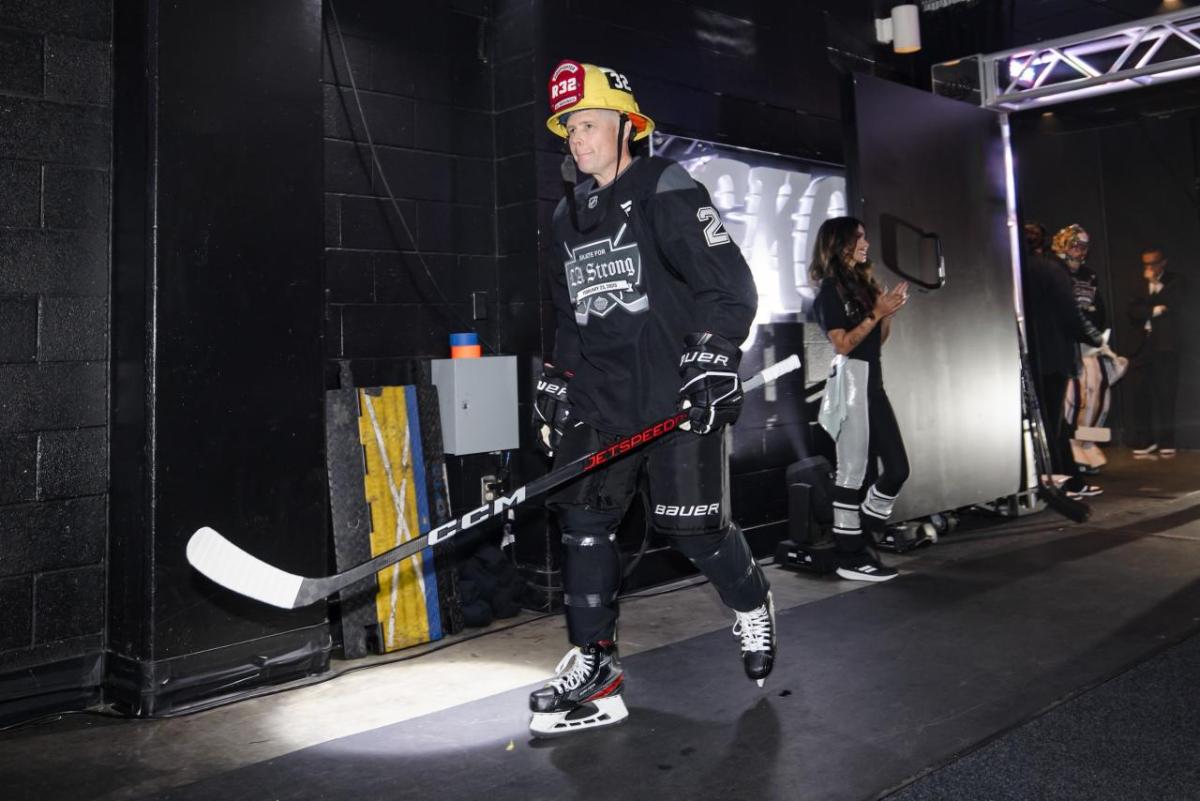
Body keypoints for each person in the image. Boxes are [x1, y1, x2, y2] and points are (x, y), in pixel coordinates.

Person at [527, 60, 776, 737]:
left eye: (588, 125)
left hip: (675, 398)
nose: (577, 140)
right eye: (569, 129)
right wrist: (557, 375)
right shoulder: (564, 215)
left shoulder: (665, 186)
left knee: (690, 527)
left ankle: (752, 599)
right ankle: (597, 666)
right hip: (604, 400)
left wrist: (713, 354)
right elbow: (567, 309)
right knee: (582, 523)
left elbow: (730, 284)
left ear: (627, 127)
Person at [811, 217, 909, 582]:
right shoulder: (829, 291)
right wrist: (876, 313)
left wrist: (887, 314)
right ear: (842, 243)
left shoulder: (861, 283)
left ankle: (859, 531)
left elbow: (874, 341)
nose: (866, 243)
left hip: (873, 382)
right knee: (853, 471)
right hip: (852, 383)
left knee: (896, 469)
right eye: (860, 237)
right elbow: (841, 344)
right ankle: (849, 552)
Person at [1021, 226, 1107, 497]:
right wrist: (1096, 338)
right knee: (1054, 422)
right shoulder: (1049, 269)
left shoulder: (1017, 269)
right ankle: (1066, 481)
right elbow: (1070, 314)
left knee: (1047, 421)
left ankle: (1062, 480)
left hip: (1027, 354)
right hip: (1053, 355)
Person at [1052, 225, 1115, 474]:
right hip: (1069, 345)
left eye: (1082, 246)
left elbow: (1098, 308)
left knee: (1099, 397)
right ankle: (1073, 447)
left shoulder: (1089, 275)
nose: (1079, 251)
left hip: (1091, 343)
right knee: (1075, 398)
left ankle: (1088, 443)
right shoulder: (1056, 273)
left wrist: (1098, 336)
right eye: (1074, 245)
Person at [1129, 247, 1185, 457]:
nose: (1149, 268)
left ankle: (1166, 441)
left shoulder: (1174, 281)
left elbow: (1173, 303)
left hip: (1165, 346)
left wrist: (1154, 287)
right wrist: (1154, 310)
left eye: (1153, 263)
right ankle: (1145, 440)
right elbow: (1132, 310)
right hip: (1142, 346)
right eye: (1145, 264)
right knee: (1140, 394)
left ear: (1163, 263)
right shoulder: (1137, 282)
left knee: (1165, 394)